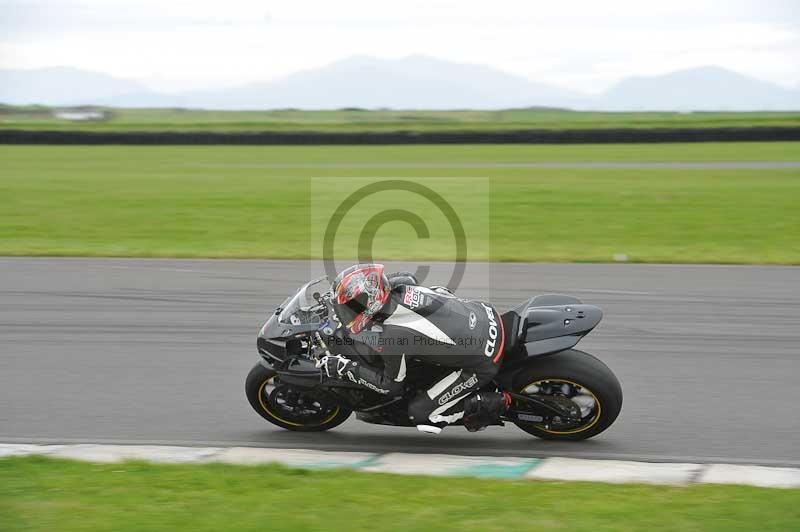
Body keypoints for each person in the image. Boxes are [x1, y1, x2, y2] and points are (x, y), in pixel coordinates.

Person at [316, 263, 510, 434]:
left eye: (351, 307)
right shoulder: (402, 283)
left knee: (420, 413)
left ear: (371, 303)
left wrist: (344, 367)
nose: (347, 312)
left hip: (482, 360)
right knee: (439, 292)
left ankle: (495, 403)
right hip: (485, 313)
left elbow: (389, 385)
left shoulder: (394, 335)